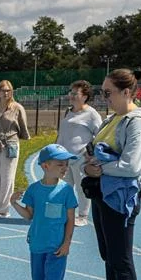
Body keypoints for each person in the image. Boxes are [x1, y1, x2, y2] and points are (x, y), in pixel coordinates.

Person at [79, 68, 141, 280]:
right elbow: (95, 151)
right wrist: (90, 166)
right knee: (108, 255)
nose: (104, 97)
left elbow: (132, 165)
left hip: (121, 198)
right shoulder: (113, 119)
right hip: (103, 193)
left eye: (108, 92)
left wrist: (100, 167)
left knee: (121, 258)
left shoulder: (136, 123)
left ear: (126, 92)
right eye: (103, 92)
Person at [10, 144, 78, 280]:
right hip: (37, 244)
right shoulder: (34, 190)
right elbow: (28, 215)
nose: (65, 168)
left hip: (57, 247)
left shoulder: (66, 191)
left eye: (66, 164)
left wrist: (67, 243)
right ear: (45, 166)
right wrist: (13, 203)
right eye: (60, 164)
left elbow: (71, 220)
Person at [55, 80, 102, 227]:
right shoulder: (68, 111)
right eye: (71, 92)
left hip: (81, 158)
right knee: (65, 187)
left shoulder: (91, 114)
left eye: (76, 93)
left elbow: (100, 135)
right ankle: (67, 214)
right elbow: (63, 133)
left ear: (85, 96)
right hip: (64, 158)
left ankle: (82, 216)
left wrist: (90, 154)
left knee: (82, 189)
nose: (72, 96)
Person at [0, 80, 31, 217]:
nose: (5, 93)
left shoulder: (17, 108)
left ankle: (3, 209)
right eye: (3, 90)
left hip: (10, 145)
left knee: (7, 178)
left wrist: (14, 138)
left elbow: (23, 128)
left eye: (8, 90)